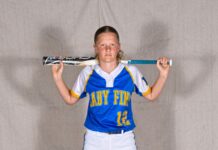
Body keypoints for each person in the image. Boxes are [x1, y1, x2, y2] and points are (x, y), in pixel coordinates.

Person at [51, 26, 170, 150]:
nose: (108, 49)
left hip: (124, 139)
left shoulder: (130, 72)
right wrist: (58, 78)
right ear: (95, 48)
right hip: (94, 139)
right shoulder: (88, 73)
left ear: (118, 47)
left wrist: (163, 75)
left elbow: (151, 95)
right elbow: (70, 99)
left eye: (112, 45)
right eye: (102, 45)